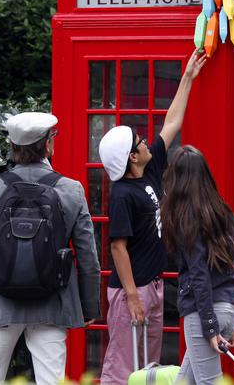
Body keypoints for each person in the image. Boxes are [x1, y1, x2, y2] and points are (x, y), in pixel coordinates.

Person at [0, 112, 101, 385]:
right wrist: (88, 307)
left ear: (13, 147)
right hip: (51, 303)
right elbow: (88, 256)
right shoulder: (71, 190)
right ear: (48, 145)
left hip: (0, 302)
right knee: (51, 381)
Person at [98, 51, 205, 384]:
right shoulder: (122, 195)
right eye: (139, 141)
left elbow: (171, 123)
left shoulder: (150, 169)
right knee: (123, 365)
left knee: (147, 367)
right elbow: (118, 247)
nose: (146, 140)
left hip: (153, 284)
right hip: (133, 289)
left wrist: (187, 76)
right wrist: (131, 295)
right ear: (131, 157)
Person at [160, 145, 234, 385]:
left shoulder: (188, 219)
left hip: (203, 311)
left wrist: (209, 324)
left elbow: (199, 274)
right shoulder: (225, 214)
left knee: (209, 382)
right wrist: (233, 313)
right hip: (228, 307)